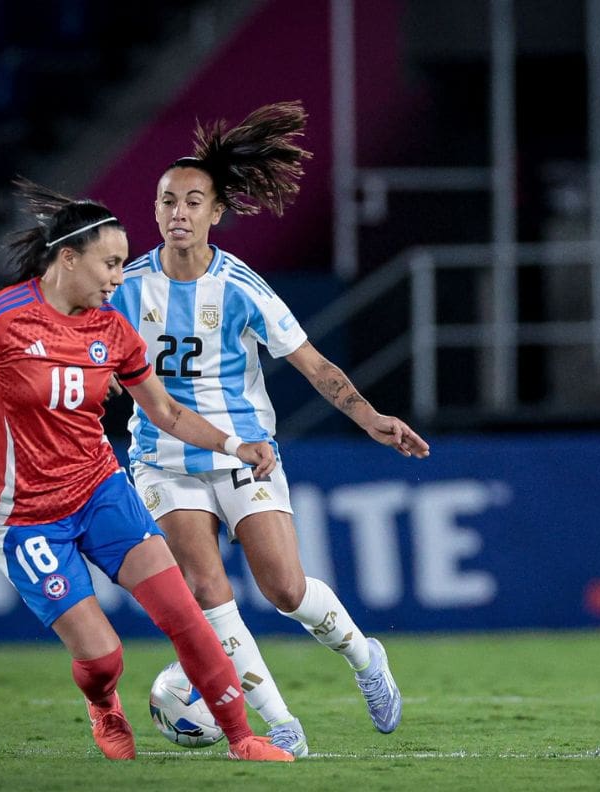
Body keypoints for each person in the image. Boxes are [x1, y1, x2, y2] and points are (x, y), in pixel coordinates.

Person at [0, 180, 293, 762]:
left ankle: (242, 739)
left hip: (101, 491)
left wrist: (236, 443)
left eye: (123, 265)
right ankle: (104, 703)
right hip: (24, 517)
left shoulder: (112, 329)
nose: (117, 277)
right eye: (109, 263)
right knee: (104, 657)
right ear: (68, 258)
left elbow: (167, 411)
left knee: (184, 614)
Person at [109, 101, 430, 756]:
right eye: (167, 200)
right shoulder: (125, 285)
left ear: (216, 212)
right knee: (207, 590)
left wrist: (369, 417)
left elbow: (312, 363)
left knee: (285, 589)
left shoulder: (241, 288)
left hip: (244, 456)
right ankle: (280, 725)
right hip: (163, 463)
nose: (178, 213)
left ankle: (365, 657)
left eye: (193, 201)